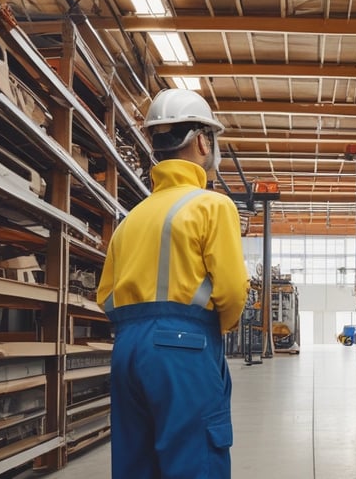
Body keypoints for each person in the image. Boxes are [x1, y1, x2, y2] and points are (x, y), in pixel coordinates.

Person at [97, 89, 249, 478]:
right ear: (202, 140)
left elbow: (106, 295)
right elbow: (232, 291)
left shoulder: (130, 219)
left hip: (127, 349)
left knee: (136, 462)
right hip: (185, 347)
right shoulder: (211, 205)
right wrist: (214, 328)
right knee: (195, 456)